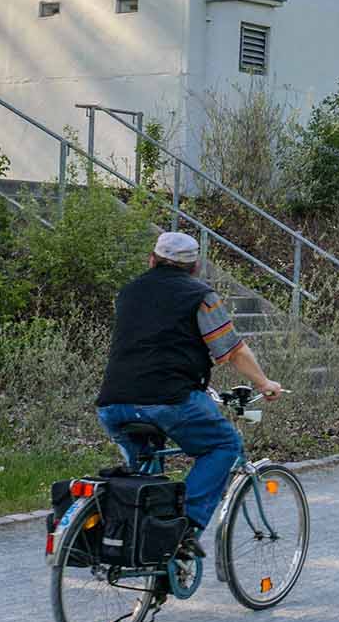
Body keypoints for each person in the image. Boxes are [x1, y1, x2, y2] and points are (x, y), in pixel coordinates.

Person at [95, 230, 286, 555]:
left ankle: (142, 546)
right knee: (224, 445)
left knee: (143, 475)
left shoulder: (128, 293)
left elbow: (153, 346)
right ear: (196, 266)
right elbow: (233, 350)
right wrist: (264, 383)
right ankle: (184, 530)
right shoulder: (199, 295)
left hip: (113, 402)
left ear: (151, 260)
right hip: (168, 401)